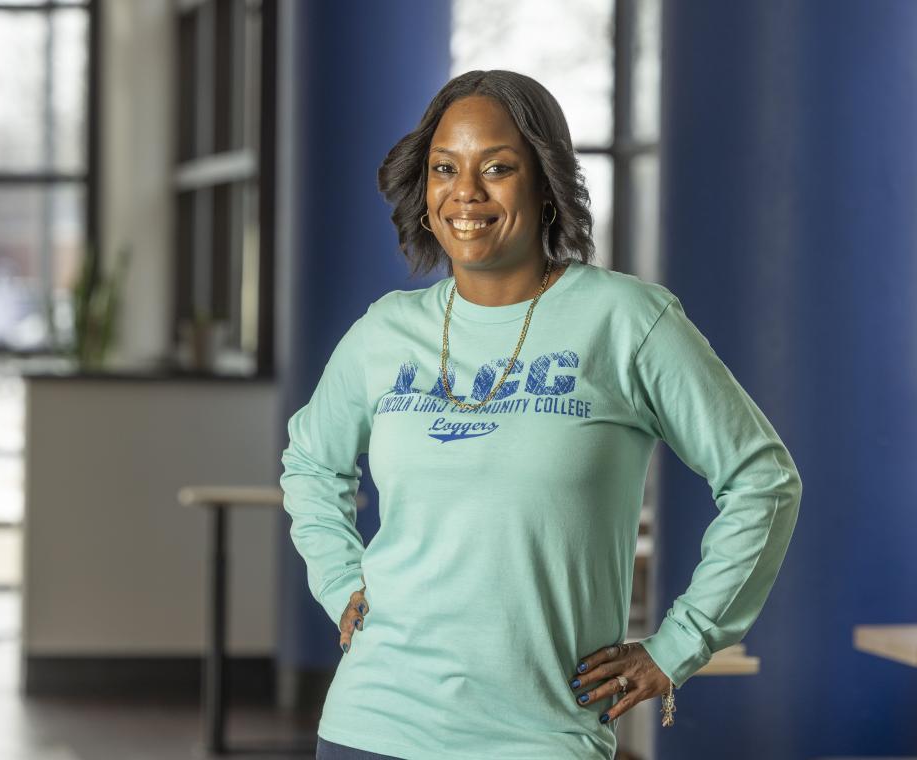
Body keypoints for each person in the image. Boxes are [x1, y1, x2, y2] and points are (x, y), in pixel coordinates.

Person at [280, 69, 803, 760]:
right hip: (371, 724)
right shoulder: (385, 332)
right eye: (445, 168)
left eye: (497, 168)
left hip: (538, 735)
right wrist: (341, 581)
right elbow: (310, 462)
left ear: (545, 180)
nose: (466, 193)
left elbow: (763, 482)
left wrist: (681, 643)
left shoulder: (626, 321)